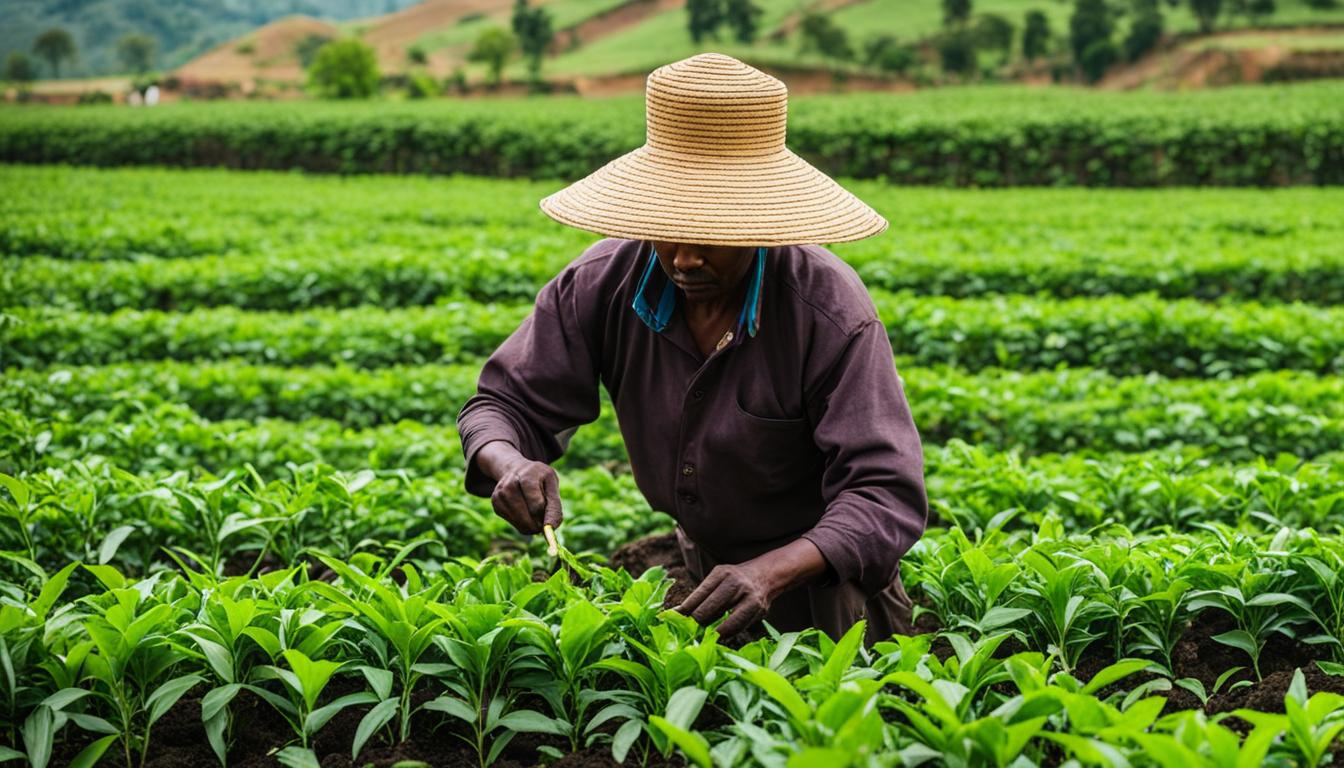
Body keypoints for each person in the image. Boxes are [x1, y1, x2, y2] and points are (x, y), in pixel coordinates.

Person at [456, 52, 928, 646]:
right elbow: (503, 406)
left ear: (759, 218)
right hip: (705, 580)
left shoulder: (828, 313)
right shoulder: (603, 283)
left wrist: (769, 573)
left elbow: (885, 494)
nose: (683, 257)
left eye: (712, 233)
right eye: (668, 223)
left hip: (832, 597)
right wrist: (510, 463)